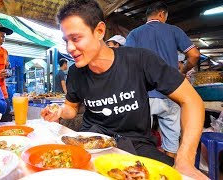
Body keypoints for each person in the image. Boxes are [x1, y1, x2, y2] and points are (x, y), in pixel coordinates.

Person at [41, 0, 207, 179]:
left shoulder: (140, 60)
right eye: (66, 41)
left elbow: (192, 100)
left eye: (76, 38)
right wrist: (59, 111)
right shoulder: (75, 72)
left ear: (99, 31)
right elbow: (71, 108)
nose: (69, 48)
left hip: (136, 147)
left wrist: (185, 160)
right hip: (90, 144)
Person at [125, 2, 200, 158]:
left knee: (139, 141)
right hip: (170, 93)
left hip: (143, 95)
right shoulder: (174, 31)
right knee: (171, 141)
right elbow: (194, 55)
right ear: (161, 14)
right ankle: (169, 169)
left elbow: (126, 62)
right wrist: (182, 71)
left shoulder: (134, 34)